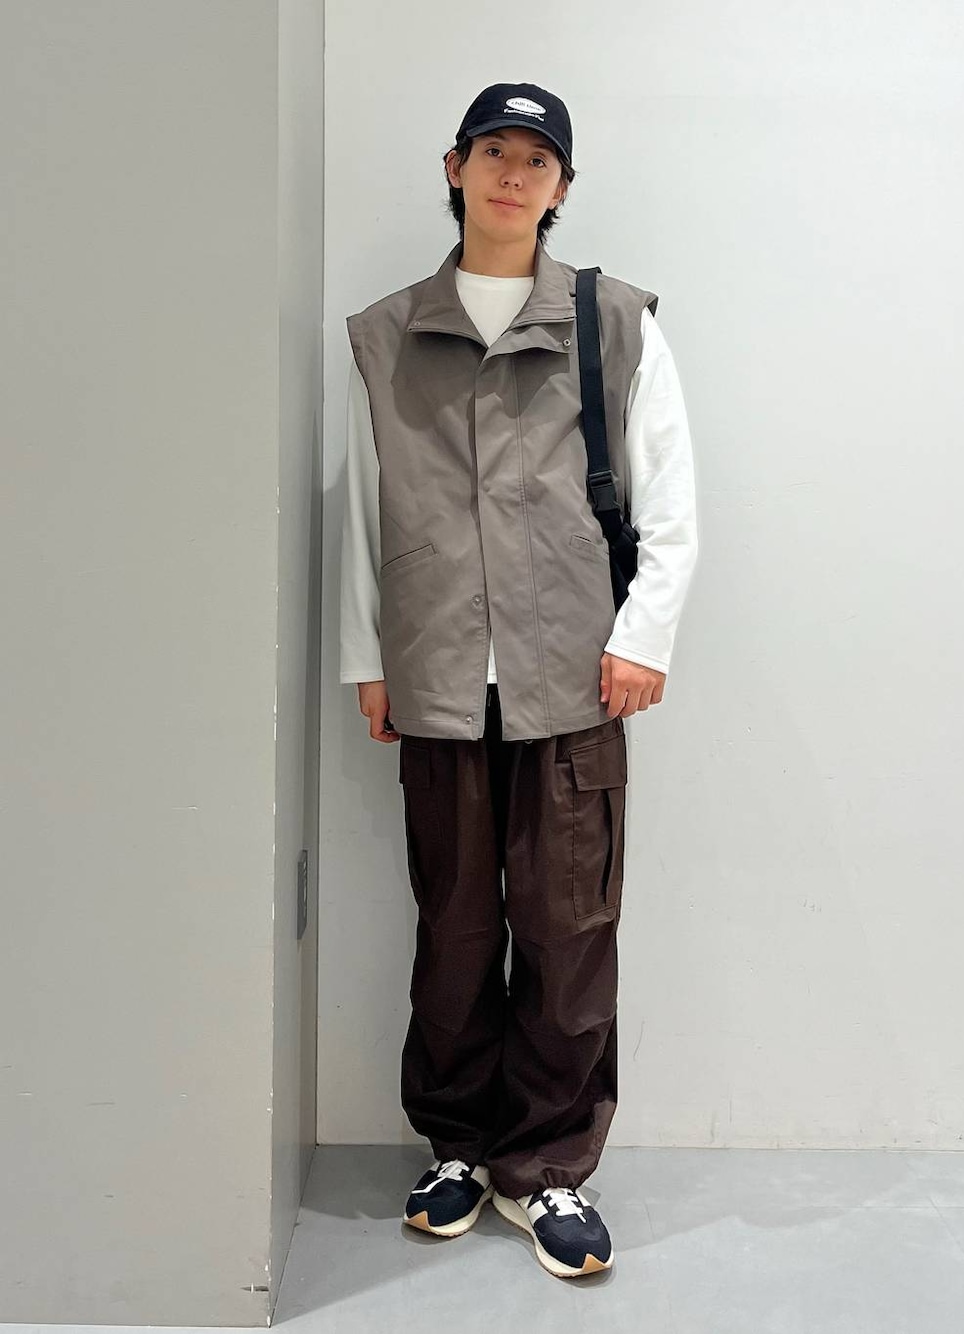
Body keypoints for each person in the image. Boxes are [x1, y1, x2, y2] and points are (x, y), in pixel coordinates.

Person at [339, 82, 699, 1279]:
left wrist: (644, 635)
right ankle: (456, 1145)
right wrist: (365, 655)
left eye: (535, 160)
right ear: (453, 168)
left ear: (561, 187)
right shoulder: (386, 333)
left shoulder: (615, 321)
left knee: (567, 928)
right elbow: (363, 505)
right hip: (437, 676)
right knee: (451, 927)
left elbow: (668, 493)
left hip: (576, 680)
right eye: (491, 150)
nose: (511, 173)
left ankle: (544, 1167)